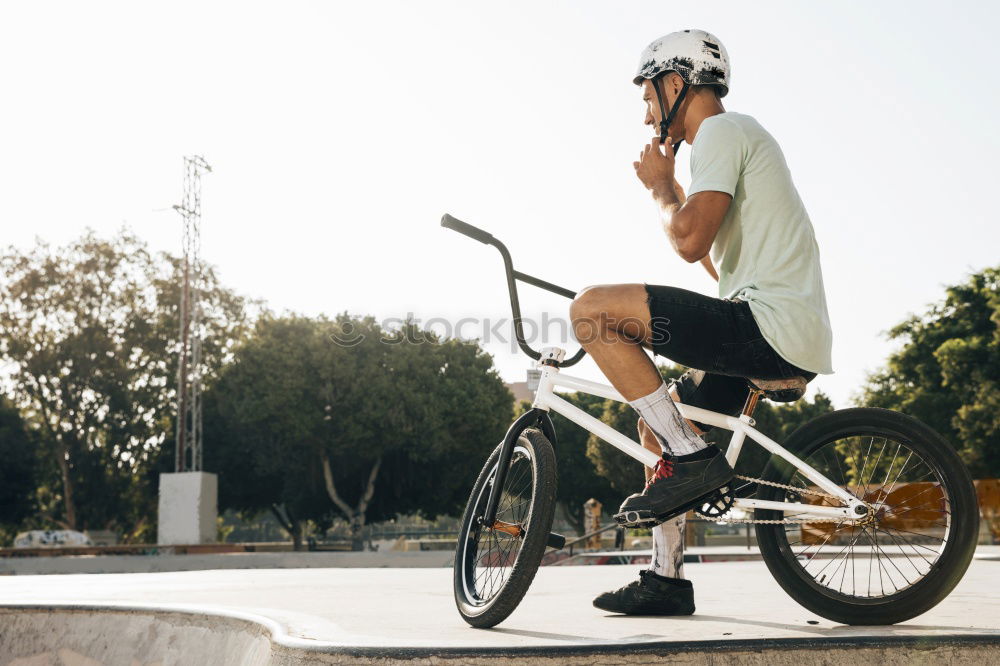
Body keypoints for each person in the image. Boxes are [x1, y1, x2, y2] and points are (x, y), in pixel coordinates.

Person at [571, 29, 834, 615]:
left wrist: (663, 189)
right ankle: (666, 581)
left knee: (590, 311)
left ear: (675, 81)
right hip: (770, 327)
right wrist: (677, 194)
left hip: (767, 327)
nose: (646, 117)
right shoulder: (731, 140)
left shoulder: (721, 130)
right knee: (657, 427)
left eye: (646, 98)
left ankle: (692, 459)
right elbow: (715, 258)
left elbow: (688, 241)